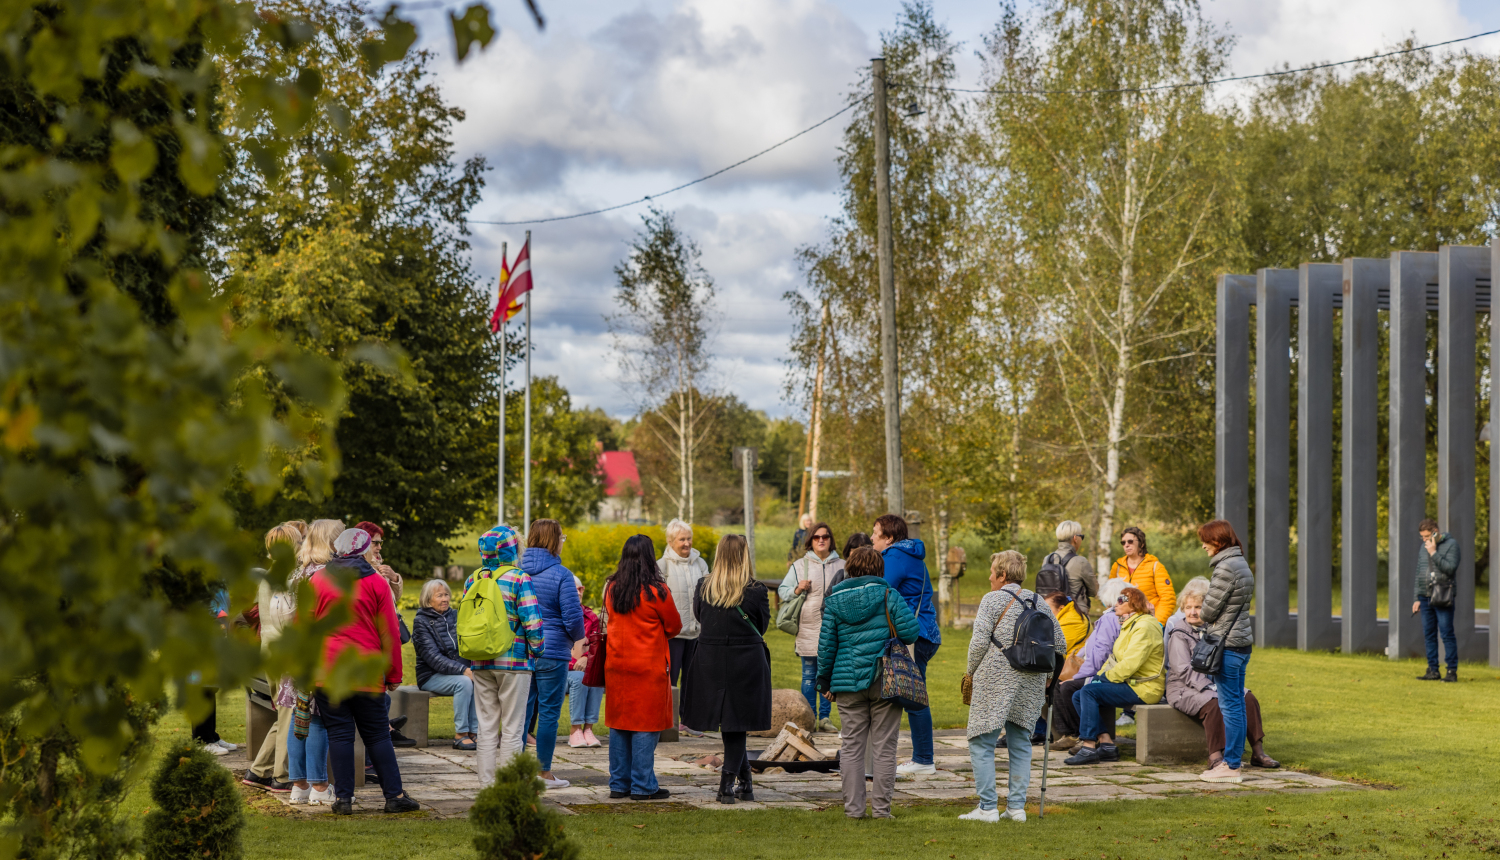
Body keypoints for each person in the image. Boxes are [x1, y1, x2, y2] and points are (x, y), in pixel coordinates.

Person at [311, 528, 419, 814]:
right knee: (377, 736)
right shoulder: (376, 582)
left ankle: (343, 799)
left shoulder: (317, 580)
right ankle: (394, 797)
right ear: (364, 551)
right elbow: (390, 634)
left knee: (339, 735)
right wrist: (394, 674)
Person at [960, 550, 1064, 824]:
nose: (990, 578)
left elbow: (980, 642)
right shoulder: (1039, 600)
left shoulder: (992, 599)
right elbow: (1060, 644)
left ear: (1003, 575)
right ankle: (1016, 808)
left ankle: (987, 808)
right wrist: (1051, 676)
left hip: (995, 678)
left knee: (981, 740)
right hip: (1031, 680)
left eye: (993, 572)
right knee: (1020, 743)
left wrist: (970, 672)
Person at [817, 546, 918, 819]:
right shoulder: (888, 594)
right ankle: (882, 811)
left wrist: (823, 681)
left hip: (847, 682)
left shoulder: (834, 599)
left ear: (850, 568)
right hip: (885, 678)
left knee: (851, 747)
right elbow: (910, 633)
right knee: (885, 747)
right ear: (879, 569)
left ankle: (854, 811)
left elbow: (826, 646)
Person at [681, 534, 772, 804]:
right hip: (746, 660)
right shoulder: (756, 590)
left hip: (711, 658)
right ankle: (729, 783)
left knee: (732, 723)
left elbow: (699, 617)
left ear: (719, 555)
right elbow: (763, 625)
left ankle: (742, 781)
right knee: (737, 722)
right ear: (744, 556)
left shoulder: (703, 586)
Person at [1166, 577, 1279, 770]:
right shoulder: (1179, 634)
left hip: (1215, 684)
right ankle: (1215, 756)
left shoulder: (1214, 631)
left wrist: (1223, 684)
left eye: (1198, 607)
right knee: (1216, 702)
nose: (1192, 612)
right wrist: (1211, 687)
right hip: (1184, 688)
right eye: (1188, 607)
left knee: (1247, 697)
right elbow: (1184, 670)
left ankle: (1258, 752)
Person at [463, 524, 545, 788]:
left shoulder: (473, 579)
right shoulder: (519, 578)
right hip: (515, 662)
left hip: (480, 660)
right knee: (512, 729)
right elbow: (532, 622)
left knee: (486, 728)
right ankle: (509, 788)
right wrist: (538, 649)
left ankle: (486, 787)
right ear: (511, 549)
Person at [605, 534, 683, 801]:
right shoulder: (657, 591)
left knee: (619, 723)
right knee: (645, 725)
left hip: (616, 665)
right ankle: (642, 785)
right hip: (648, 667)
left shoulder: (612, 588)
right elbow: (674, 626)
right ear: (650, 557)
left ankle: (618, 784)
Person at [1063, 586, 1164, 766]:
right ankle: (1107, 744)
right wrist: (1098, 677)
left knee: (1088, 692)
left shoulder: (1145, 626)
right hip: (1130, 683)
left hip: (1145, 687)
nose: (1115, 604)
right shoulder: (1129, 624)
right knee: (1079, 694)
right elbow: (1113, 660)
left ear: (1133, 605)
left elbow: (1129, 665)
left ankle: (1088, 747)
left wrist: (1104, 679)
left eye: (1120, 600)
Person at [871, 514, 940, 776]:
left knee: (913, 697)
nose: (871, 538)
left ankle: (923, 760)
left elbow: (879, 592)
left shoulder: (894, 558)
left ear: (889, 538)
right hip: (923, 632)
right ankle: (914, 757)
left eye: (875, 533)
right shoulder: (907, 555)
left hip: (913, 635)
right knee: (906, 694)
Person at [520, 519, 585, 789]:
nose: (562, 541)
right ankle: (543, 773)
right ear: (553, 540)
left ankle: (517, 769)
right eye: (562, 537)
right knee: (548, 713)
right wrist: (574, 640)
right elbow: (573, 617)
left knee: (520, 711)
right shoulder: (561, 574)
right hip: (553, 650)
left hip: (521, 651)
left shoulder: (515, 571)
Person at [242, 523, 304, 793]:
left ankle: (258, 770)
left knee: (284, 713)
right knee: (290, 713)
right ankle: (282, 774)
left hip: (268, 649)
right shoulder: (290, 577)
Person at [1195, 519, 1256, 781]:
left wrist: (1204, 603)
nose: (1203, 546)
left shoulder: (1225, 568)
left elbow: (1208, 611)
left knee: (1230, 706)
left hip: (1227, 646)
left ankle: (1231, 766)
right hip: (1241, 643)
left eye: (1206, 541)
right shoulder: (1241, 563)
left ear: (1218, 541)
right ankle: (1233, 762)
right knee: (1237, 706)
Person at [285, 519, 340, 805]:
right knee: (317, 720)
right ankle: (319, 787)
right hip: (317, 655)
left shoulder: (298, 572)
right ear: (330, 543)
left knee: (300, 715)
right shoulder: (324, 574)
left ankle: (299, 784)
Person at [777, 521, 843, 732]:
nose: (821, 540)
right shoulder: (799, 566)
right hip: (808, 626)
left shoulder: (843, 565)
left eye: (825, 536)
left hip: (834, 627)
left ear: (831, 540)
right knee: (809, 674)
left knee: (829, 674)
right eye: (816, 537)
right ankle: (809, 718)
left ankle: (824, 718)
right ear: (810, 541)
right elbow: (782, 591)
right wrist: (797, 589)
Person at [1048, 578, 1127, 752]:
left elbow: (1100, 654)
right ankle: (1071, 734)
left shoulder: (1110, 619)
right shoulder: (1111, 617)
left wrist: (1079, 675)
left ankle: (1082, 735)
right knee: (1061, 684)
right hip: (1103, 670)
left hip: (1104, 672)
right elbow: (1092, 646)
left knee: (1069, 687)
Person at [413, 578, 477, 750]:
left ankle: (475, 732)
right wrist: (463, 670)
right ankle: (461, 734)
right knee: (464, 682)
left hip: (457, 671)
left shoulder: (456, 615)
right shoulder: (421, 622)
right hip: (431, 675)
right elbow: (432, 657)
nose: (445, 599)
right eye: (439, 595)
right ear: (428, 600)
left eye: (446, 594)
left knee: (479, 678)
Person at [658, 518, 707, 735]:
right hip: (673, 634)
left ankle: (687, 721)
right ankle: (668, 721)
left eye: (689, 539)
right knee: (671, 678)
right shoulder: (662, 565)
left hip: (696, 632)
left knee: (693, 679)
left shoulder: (701, 564)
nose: (686, 543)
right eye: (681, 540)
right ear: (671, 541)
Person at [1411, 517, 1459, 682]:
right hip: (1424, 597)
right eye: (1422, 537)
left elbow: (1450, 569)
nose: (1424, 540)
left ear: (1435, 532)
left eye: (1426, 536)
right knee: (1429, 634)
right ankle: (1432, 670)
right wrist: (1416, 598)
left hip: (1442, 594)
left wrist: (1433, 552)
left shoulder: (1451, 545)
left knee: (1446, 633)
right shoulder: (1423, 547)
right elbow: (1419, 572)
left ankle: (1451, 672)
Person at [1109, 527, 1176, 625]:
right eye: (1123, 542)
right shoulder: (1117, 566)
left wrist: (1157, 623)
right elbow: (1109, 595)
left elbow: (1168, 598)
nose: (1126, 545)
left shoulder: (1155, 566)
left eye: (1130, 541)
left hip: (1147, 621)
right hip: (1122, 623)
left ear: (1141, 543)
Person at [567, 576, 604, 748]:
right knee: (579, 678)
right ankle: (575, 731)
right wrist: (574, 662)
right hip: (563, 669)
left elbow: (596, 646)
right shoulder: (558, 616)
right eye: (575, 588)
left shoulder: (590, 616)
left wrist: (585, 658)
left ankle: (588, 729)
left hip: (584, 667)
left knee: (596, 678)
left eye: (581, 588)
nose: (579, 592)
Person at [1045, 521, 1097, 616]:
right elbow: (1094, 591)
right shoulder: (1081, 561)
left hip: (1051, 615)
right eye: (1082, 537)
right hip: (1075, 616)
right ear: (1075, 538)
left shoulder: (1048, 559)